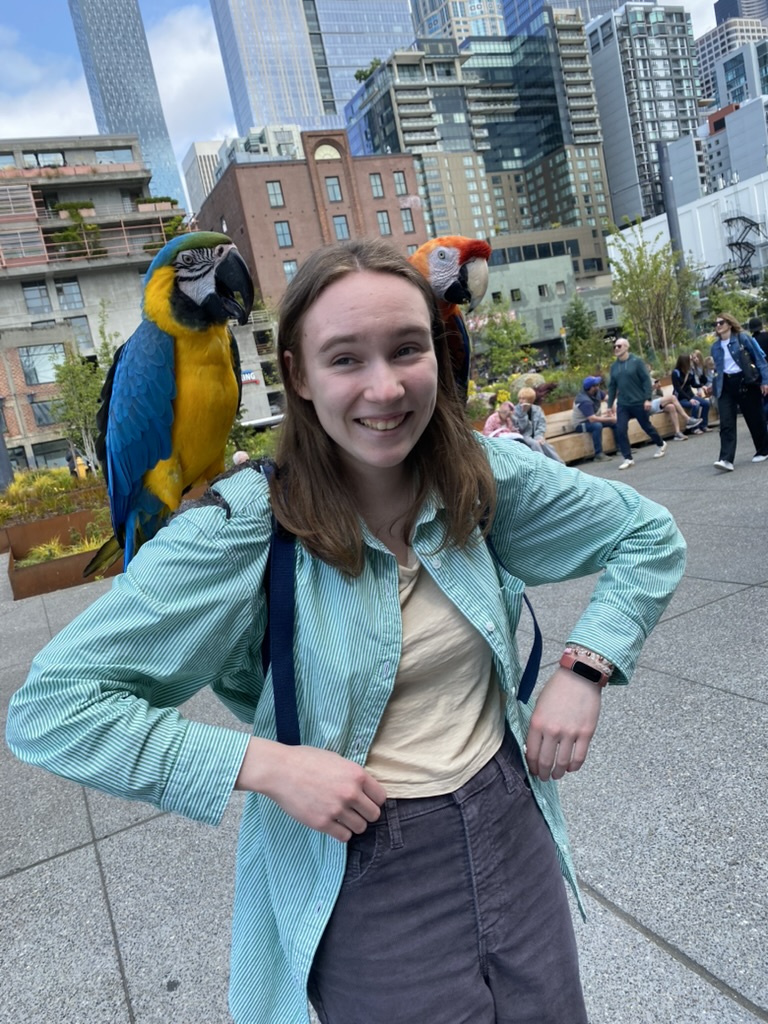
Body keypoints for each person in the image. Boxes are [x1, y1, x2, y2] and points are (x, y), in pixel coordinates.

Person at [5, 239, 686, 1024]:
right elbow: (52, 706)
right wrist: (265, 766)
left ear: (439, 349)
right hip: (362, 863)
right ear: (297, 375)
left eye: (407, 349)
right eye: (345, 359)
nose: (385, 387)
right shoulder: (241, 528)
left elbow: (649, 536)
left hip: (513, 821)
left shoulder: (480, 475)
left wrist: (586, 666)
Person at [710, 313, 768, 471]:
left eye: (721, 322)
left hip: (745, 381)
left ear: (729, 323)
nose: (718, 326)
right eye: (715, 324)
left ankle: (763, 449)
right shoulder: (715, 347)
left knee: (754, 417)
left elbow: (759, 358)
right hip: (726, 385)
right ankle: (726, 459)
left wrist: (765, 381)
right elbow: (717, 370)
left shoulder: (742, 338)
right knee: (726, 422)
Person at [607, 337, 668, 470]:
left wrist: (647, 399)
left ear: (626, 347)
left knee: (646, 426)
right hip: (623, 403)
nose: (616, 349)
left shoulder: (637, 362)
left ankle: (660, 443)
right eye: (615, 347)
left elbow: (646, 381)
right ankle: (627, 458)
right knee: (621, 429)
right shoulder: (614, 367)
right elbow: (612, 386)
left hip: (638, 401)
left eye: (619, 346)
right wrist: (609, 404)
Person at [571, 375, 617, 460]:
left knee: (615, 422)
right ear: (591, 388)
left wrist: (613, 413)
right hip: (580, 424)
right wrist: (610, 418)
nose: (598, 386)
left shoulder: (597, 392)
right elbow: (592, 419)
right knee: (597, 426)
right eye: (596, 385)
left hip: (592, 419)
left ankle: (621, 448)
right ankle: (598, 454)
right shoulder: (584, 400)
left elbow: (609, 399)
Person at [647, 370, 701, 440]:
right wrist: (651, 389)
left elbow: (660, 395)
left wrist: (658, 389)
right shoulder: (639, 382)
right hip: (647, 405)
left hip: (656, 403)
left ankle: (677, 433)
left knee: (671, 407)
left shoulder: (651, 379)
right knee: (673, 397)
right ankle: (688, 419)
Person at [671, 353, 710, 433]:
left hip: (690, 395)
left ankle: (704, 425)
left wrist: (702, 386)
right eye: (690, 360)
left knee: (706, 403)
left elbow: (693, 384)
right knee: (696, 404)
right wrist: (690, 399)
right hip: (680, 398)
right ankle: (694, 428)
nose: (692, 361)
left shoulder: (690, 371)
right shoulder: (676, 373)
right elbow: (678, 389)